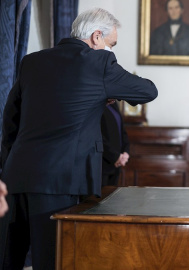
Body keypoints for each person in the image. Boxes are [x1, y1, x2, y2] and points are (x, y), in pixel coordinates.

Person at [0, 8, 158, 269]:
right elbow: (148, 90)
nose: (111, 51)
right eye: (112, 44)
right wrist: (110, 90)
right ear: (97, 37)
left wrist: (9, 167)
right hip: (60, 182)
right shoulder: (101, 63)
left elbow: (10, 121)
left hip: (16, 178)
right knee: (51, 262)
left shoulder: (32, 61)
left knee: (8, 261)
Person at [101, 101, 130, 187]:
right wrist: (115, 156)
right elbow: (96, 135)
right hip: (102, 164)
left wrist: (126, 152)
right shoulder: (96, 104)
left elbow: (122, 130)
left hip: (116, 164)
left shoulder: (113, 103)